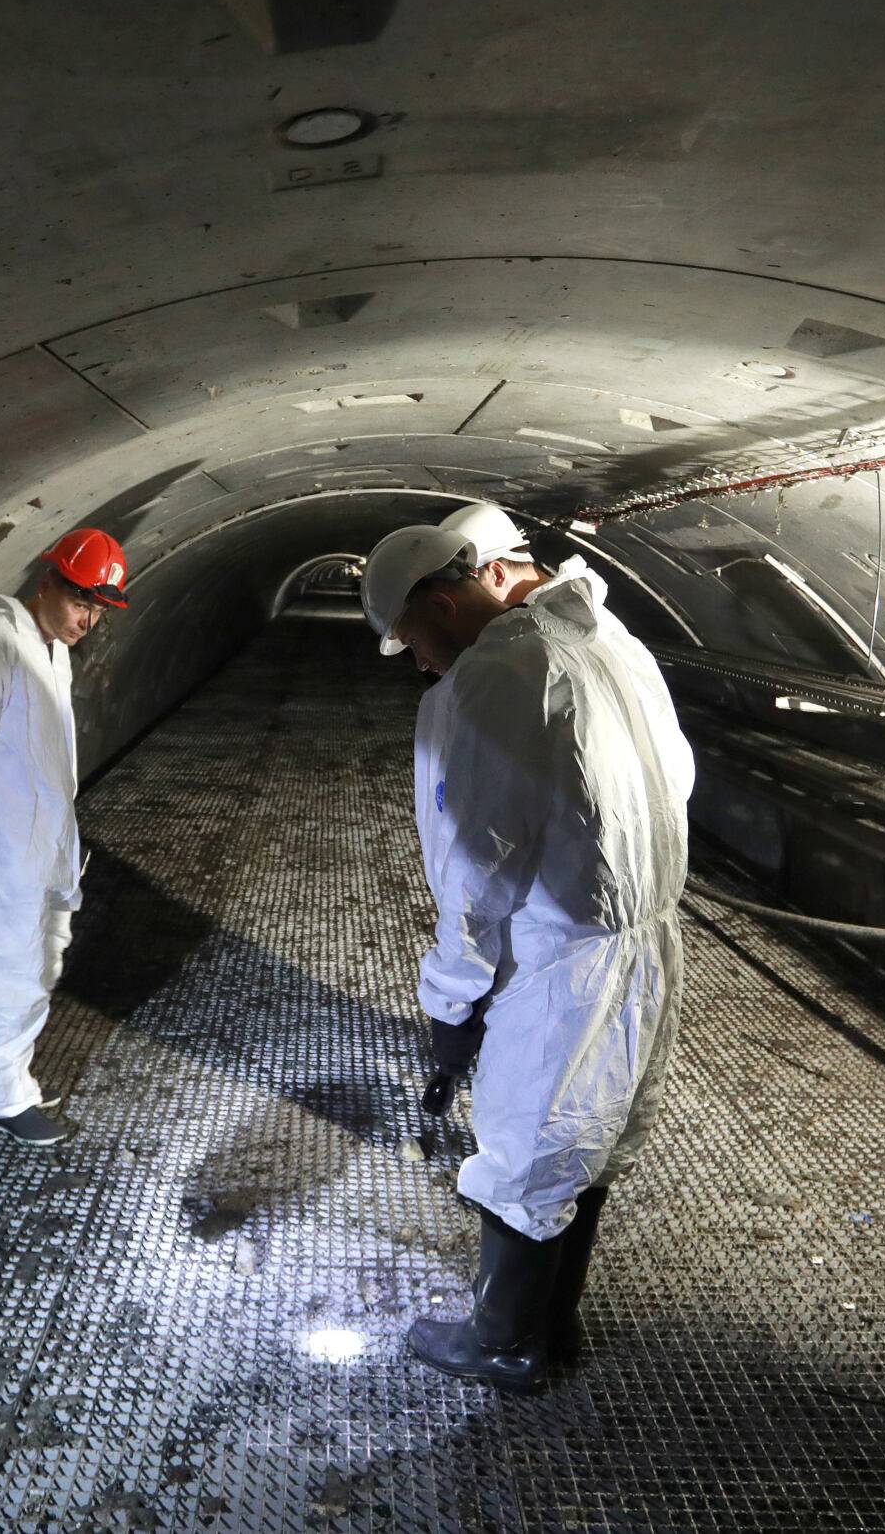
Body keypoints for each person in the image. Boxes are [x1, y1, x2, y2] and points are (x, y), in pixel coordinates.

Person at [361, 517, 696, 1391]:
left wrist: (451, 1006)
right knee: (594, 1135)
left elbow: (477, 872)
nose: (422, 662)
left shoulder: (497, 675)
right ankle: (552, 1321)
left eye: (413, 640)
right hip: (648, 936)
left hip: (566, 957)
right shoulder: (603, 639)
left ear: (441, 600)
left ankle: (504, 1342)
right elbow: (679, 775)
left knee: (524, 1143)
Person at [0, 528, 129, 1146]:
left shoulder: (51, 652)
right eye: (79, 600)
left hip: (41, 852)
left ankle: (13, 1079)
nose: (87, 619)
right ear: (47, 582)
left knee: (36, 966)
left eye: (98, 609)